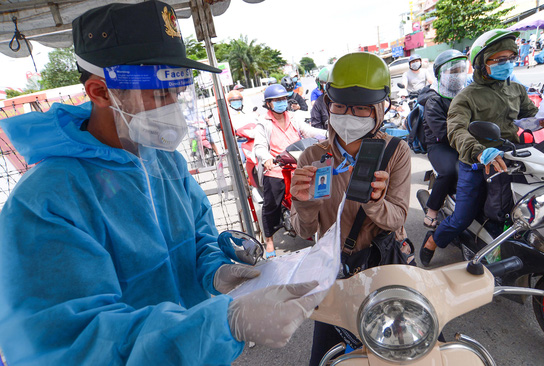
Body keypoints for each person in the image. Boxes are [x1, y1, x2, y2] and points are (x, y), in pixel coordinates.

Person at [0, 2, 322, 364]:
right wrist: (222, 324)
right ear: (101, 92)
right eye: (159, 92)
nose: (172, 105)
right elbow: (70, 341)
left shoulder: (167, 163)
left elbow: (198, 239)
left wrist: (216, 270)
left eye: (177, 91)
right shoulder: (45, 201)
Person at [289, 52, 411, 365]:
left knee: (403, 351)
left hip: (383, 268)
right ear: (328, 104)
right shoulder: (312, 159)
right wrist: (304, 203)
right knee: (327, 358)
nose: (349, 115)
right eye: (340, 105)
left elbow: (397, 217)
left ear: (379, 109)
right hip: (334, 274)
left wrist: (375, 203)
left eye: (361, 108)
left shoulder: (395, 152)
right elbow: (304, 232)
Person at [419, 29, 544, 267]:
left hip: (510, 158)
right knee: (461, 218)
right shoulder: (466, 97)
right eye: (499, 60)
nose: (506, 64)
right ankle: (434, 240)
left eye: (509, 58)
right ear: (482, 64)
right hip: (476, 161)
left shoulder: (516, 90)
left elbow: (530, 114)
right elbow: (455, 130)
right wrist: (478, 150)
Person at [253, 84, 325, 259]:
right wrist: (267, 158)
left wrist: (329, 134)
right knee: (271, 205)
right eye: (276, 100)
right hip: (277, 168)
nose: (281, 103)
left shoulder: (293, 117)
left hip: (298, 163)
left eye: (283, 99)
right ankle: (269, 240)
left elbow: (308, 131)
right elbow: (260, 146)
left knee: (322, 192)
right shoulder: (263, 122)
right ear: (268, 103)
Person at [418, 50, 468, 229]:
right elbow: (442, 131)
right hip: (440, 145)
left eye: (461, 70)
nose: (458, 75)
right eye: (452, 71)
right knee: (449, 171)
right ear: (440, 74)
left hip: (467, 141)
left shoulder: (467, 94)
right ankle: (432, 209)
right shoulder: (434, 100)